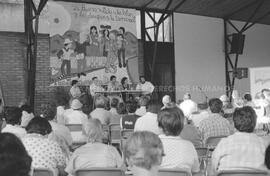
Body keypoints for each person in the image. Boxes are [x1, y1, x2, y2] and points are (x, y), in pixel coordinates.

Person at [211, 106, 268, 174]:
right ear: (255, 123)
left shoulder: (224, 143)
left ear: (234, 123)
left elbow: (213, 169)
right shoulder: (265, 145)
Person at [157, 107, 200, 172]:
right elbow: (195, 171)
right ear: (182, 126)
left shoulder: (148, 145)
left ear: (159, 126)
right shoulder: (189, 146)